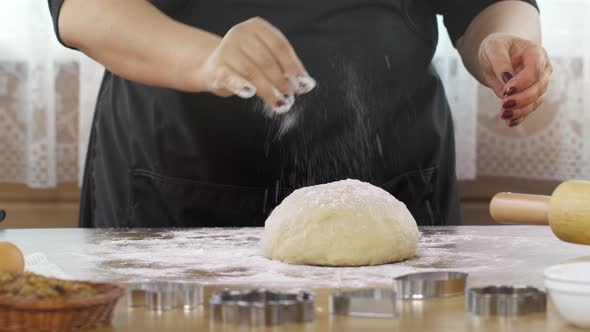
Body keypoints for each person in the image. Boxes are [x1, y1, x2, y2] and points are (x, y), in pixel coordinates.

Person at [48, 0, 550, 228]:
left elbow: (487, 3)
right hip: (177, 183)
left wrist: (502, 39)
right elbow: (87, 10)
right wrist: (206, 58)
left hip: (392, 182)